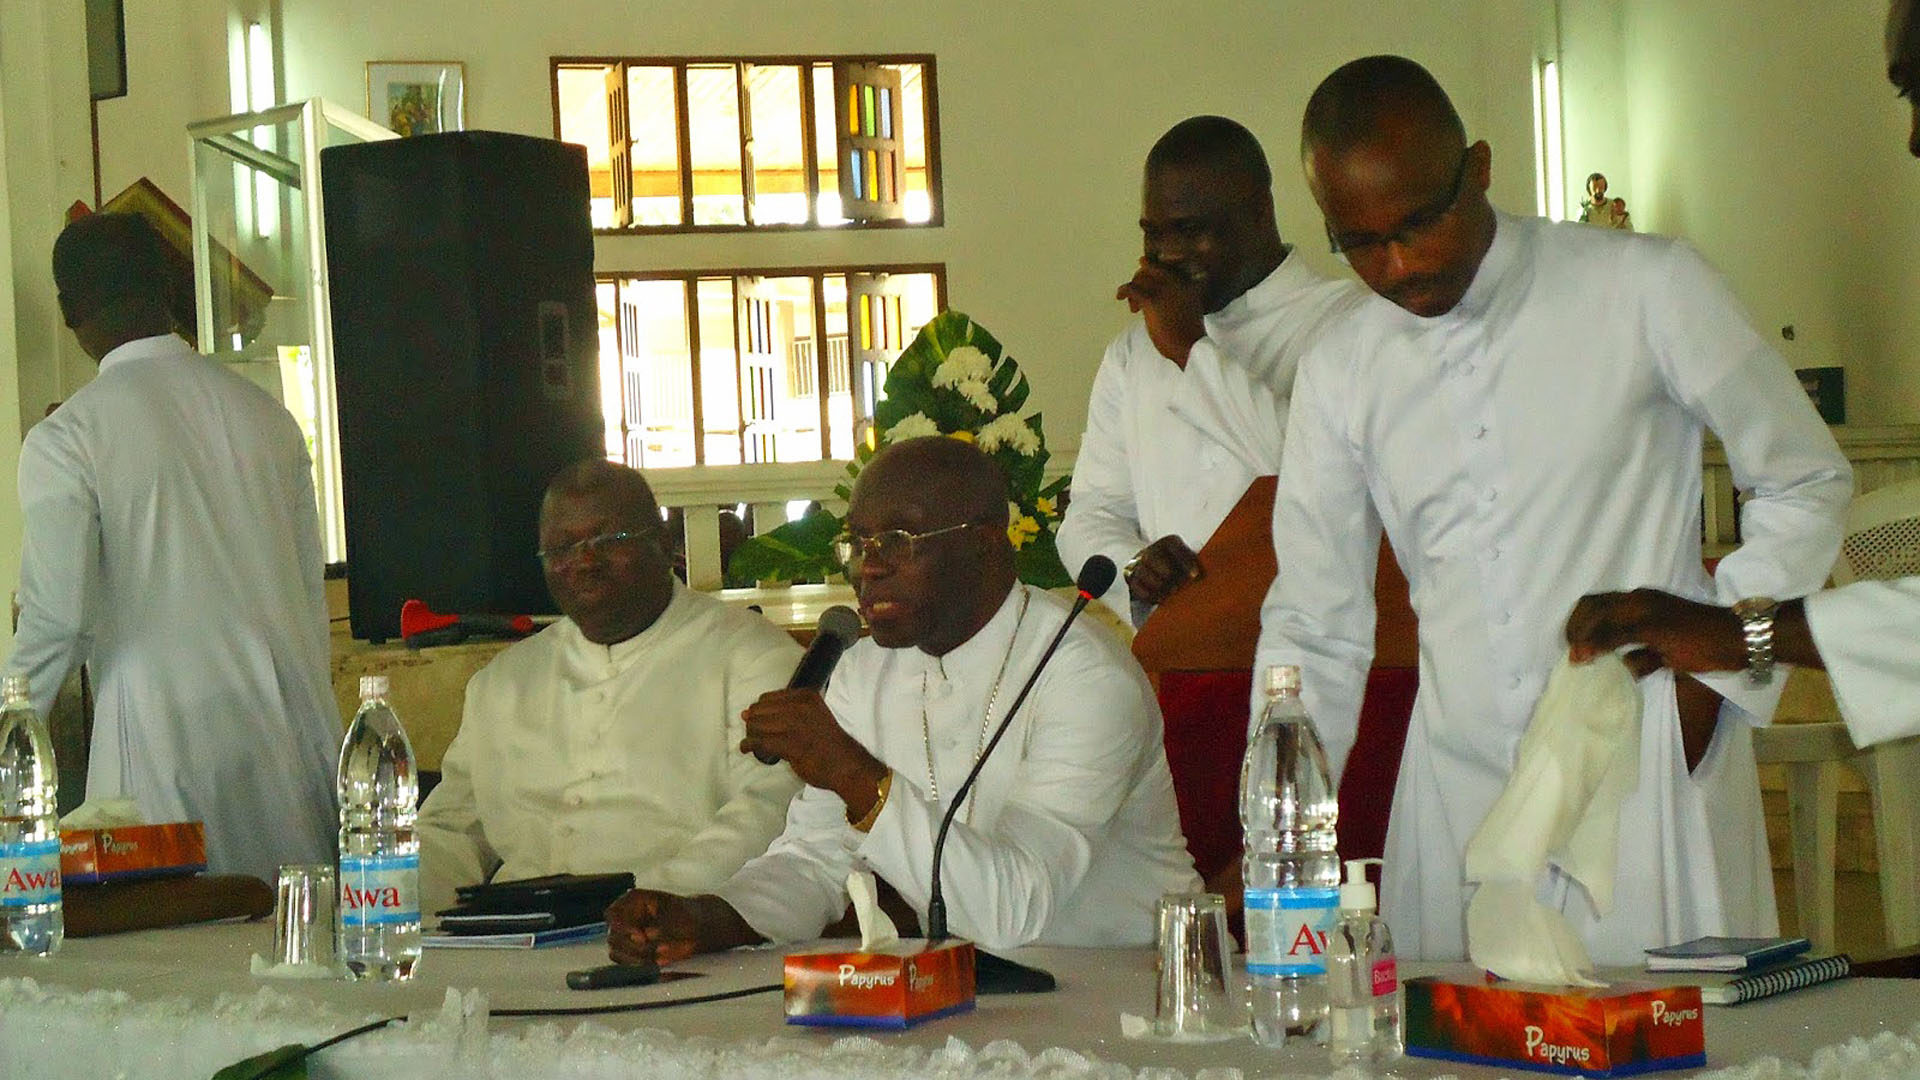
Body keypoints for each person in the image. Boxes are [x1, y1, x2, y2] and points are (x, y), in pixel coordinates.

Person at [1253, 56, 1853, 963]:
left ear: (1482, 167)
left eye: (1421, 222)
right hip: (1457, 787)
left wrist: (1715, 672)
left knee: (1671, 1040)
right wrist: (1283, 833)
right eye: (1362, 243)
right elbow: (1317, 620)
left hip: (1642, 753)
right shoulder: (1340, 366)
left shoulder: (1645, 285)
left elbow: (1806, 477)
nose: (1402, 263)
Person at [605, 437, 1198, 964]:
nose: (869, 568)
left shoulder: (1085, 676)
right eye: (858, 544)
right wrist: (708, 919)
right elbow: (815, 858)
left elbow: (1014, 913)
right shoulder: (866, 669)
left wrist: (851, 772)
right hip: (956, 984)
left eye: (897, 541)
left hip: (1124, 985)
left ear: (987, 545)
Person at [1564, 0, 1920, 751]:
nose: (1913, 137)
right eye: (1904, 95)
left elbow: (1806, 481)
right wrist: (1736, 637)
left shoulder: (1659, 282)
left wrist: (1736, 637)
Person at [6, 213, 341, 882]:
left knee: (174, 964)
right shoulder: (267, 417)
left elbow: (57, 620)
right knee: (296, 956)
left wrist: (11, 736)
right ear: (167, 288)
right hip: (291, 743)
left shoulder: (67, 439)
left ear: (71, 313)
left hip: (162, 751)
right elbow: (310, 598)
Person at [417, 459, 804, 916]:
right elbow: (450, 830)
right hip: (507, 936)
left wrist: (653, 903)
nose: (584, 562)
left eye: (609, 540)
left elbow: (772, 806)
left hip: (677, 930)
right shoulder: (501, 683)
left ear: (663, 544)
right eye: (562, 548)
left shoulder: (752, 657)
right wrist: (395, 910)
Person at [1058, 115, 1362, 626]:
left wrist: (1190, 351)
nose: (1167, 255)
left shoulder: (1347, 321)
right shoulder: (1133, 353)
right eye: (1153, 235)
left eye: (1190, 231)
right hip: (1185, 656)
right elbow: (1089, 514)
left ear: (1259, 211)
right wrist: (1133, 565)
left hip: (1323, 649)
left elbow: (1325, 478)